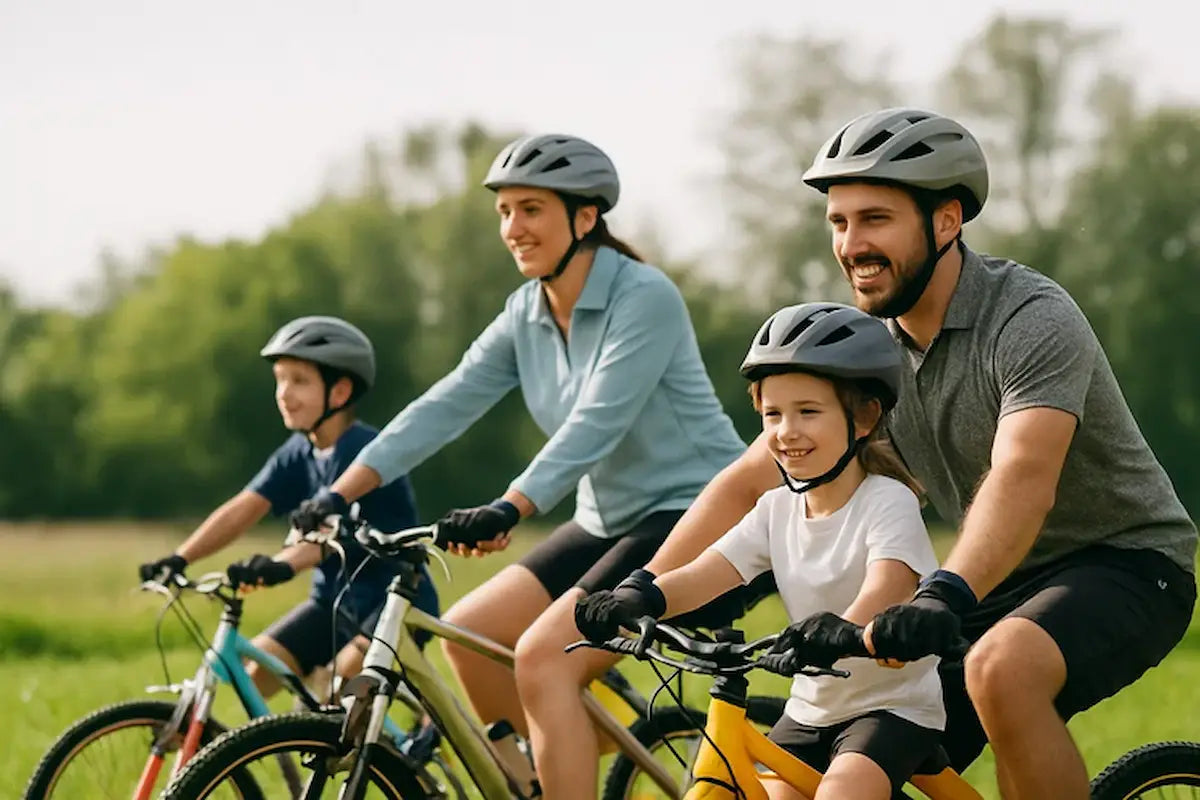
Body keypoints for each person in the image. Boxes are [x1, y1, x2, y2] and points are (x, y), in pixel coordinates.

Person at [632, 108, 1197, 799]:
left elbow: (1024, 475)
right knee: (852, 737)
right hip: (987, 583)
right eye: (839, 223)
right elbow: (754, 480)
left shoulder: (1027, 318)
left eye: (875, 220)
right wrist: (644, 588)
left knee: (1000, 669)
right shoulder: (861, 355)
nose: (851, 244)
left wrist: (945, 594)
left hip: (1127, 564)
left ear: (947, 221)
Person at [287, 133, 758, 798]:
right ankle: (535, 777)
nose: (513, 227)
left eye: (531, 209)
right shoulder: (527, 312)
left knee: (543, 658)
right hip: (609, 518)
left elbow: (598, 418)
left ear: (585, 217)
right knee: (471, 632)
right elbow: (444, 404)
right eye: (505, 211)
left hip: (697, 511)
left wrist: (513, 504)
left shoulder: (642, 297)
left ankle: (561, 762)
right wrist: (341, 492)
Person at [578, 302, 951, 800]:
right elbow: (710, 571)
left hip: (889, 709)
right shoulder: (776, 509)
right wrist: (642, 598)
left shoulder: (887, 499)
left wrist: (840, 629)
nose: (786, 431)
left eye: (808, 412)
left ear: (864, 418)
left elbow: (890, 585)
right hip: (811, 709)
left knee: (843, 792)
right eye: (772, 414)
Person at [138, 316, 440, 698]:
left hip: (396, 601)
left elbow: (324, 537)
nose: (283, 392)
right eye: (280, 379)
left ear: (340, 391)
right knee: (255, 670)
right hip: (331, 604)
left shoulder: (367, 454)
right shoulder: (297, 452)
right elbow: (243, 509)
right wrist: (181, 558)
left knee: (343, 684)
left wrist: (281, 563)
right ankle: (261, 752)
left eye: (299, 380)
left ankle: (384, 754)